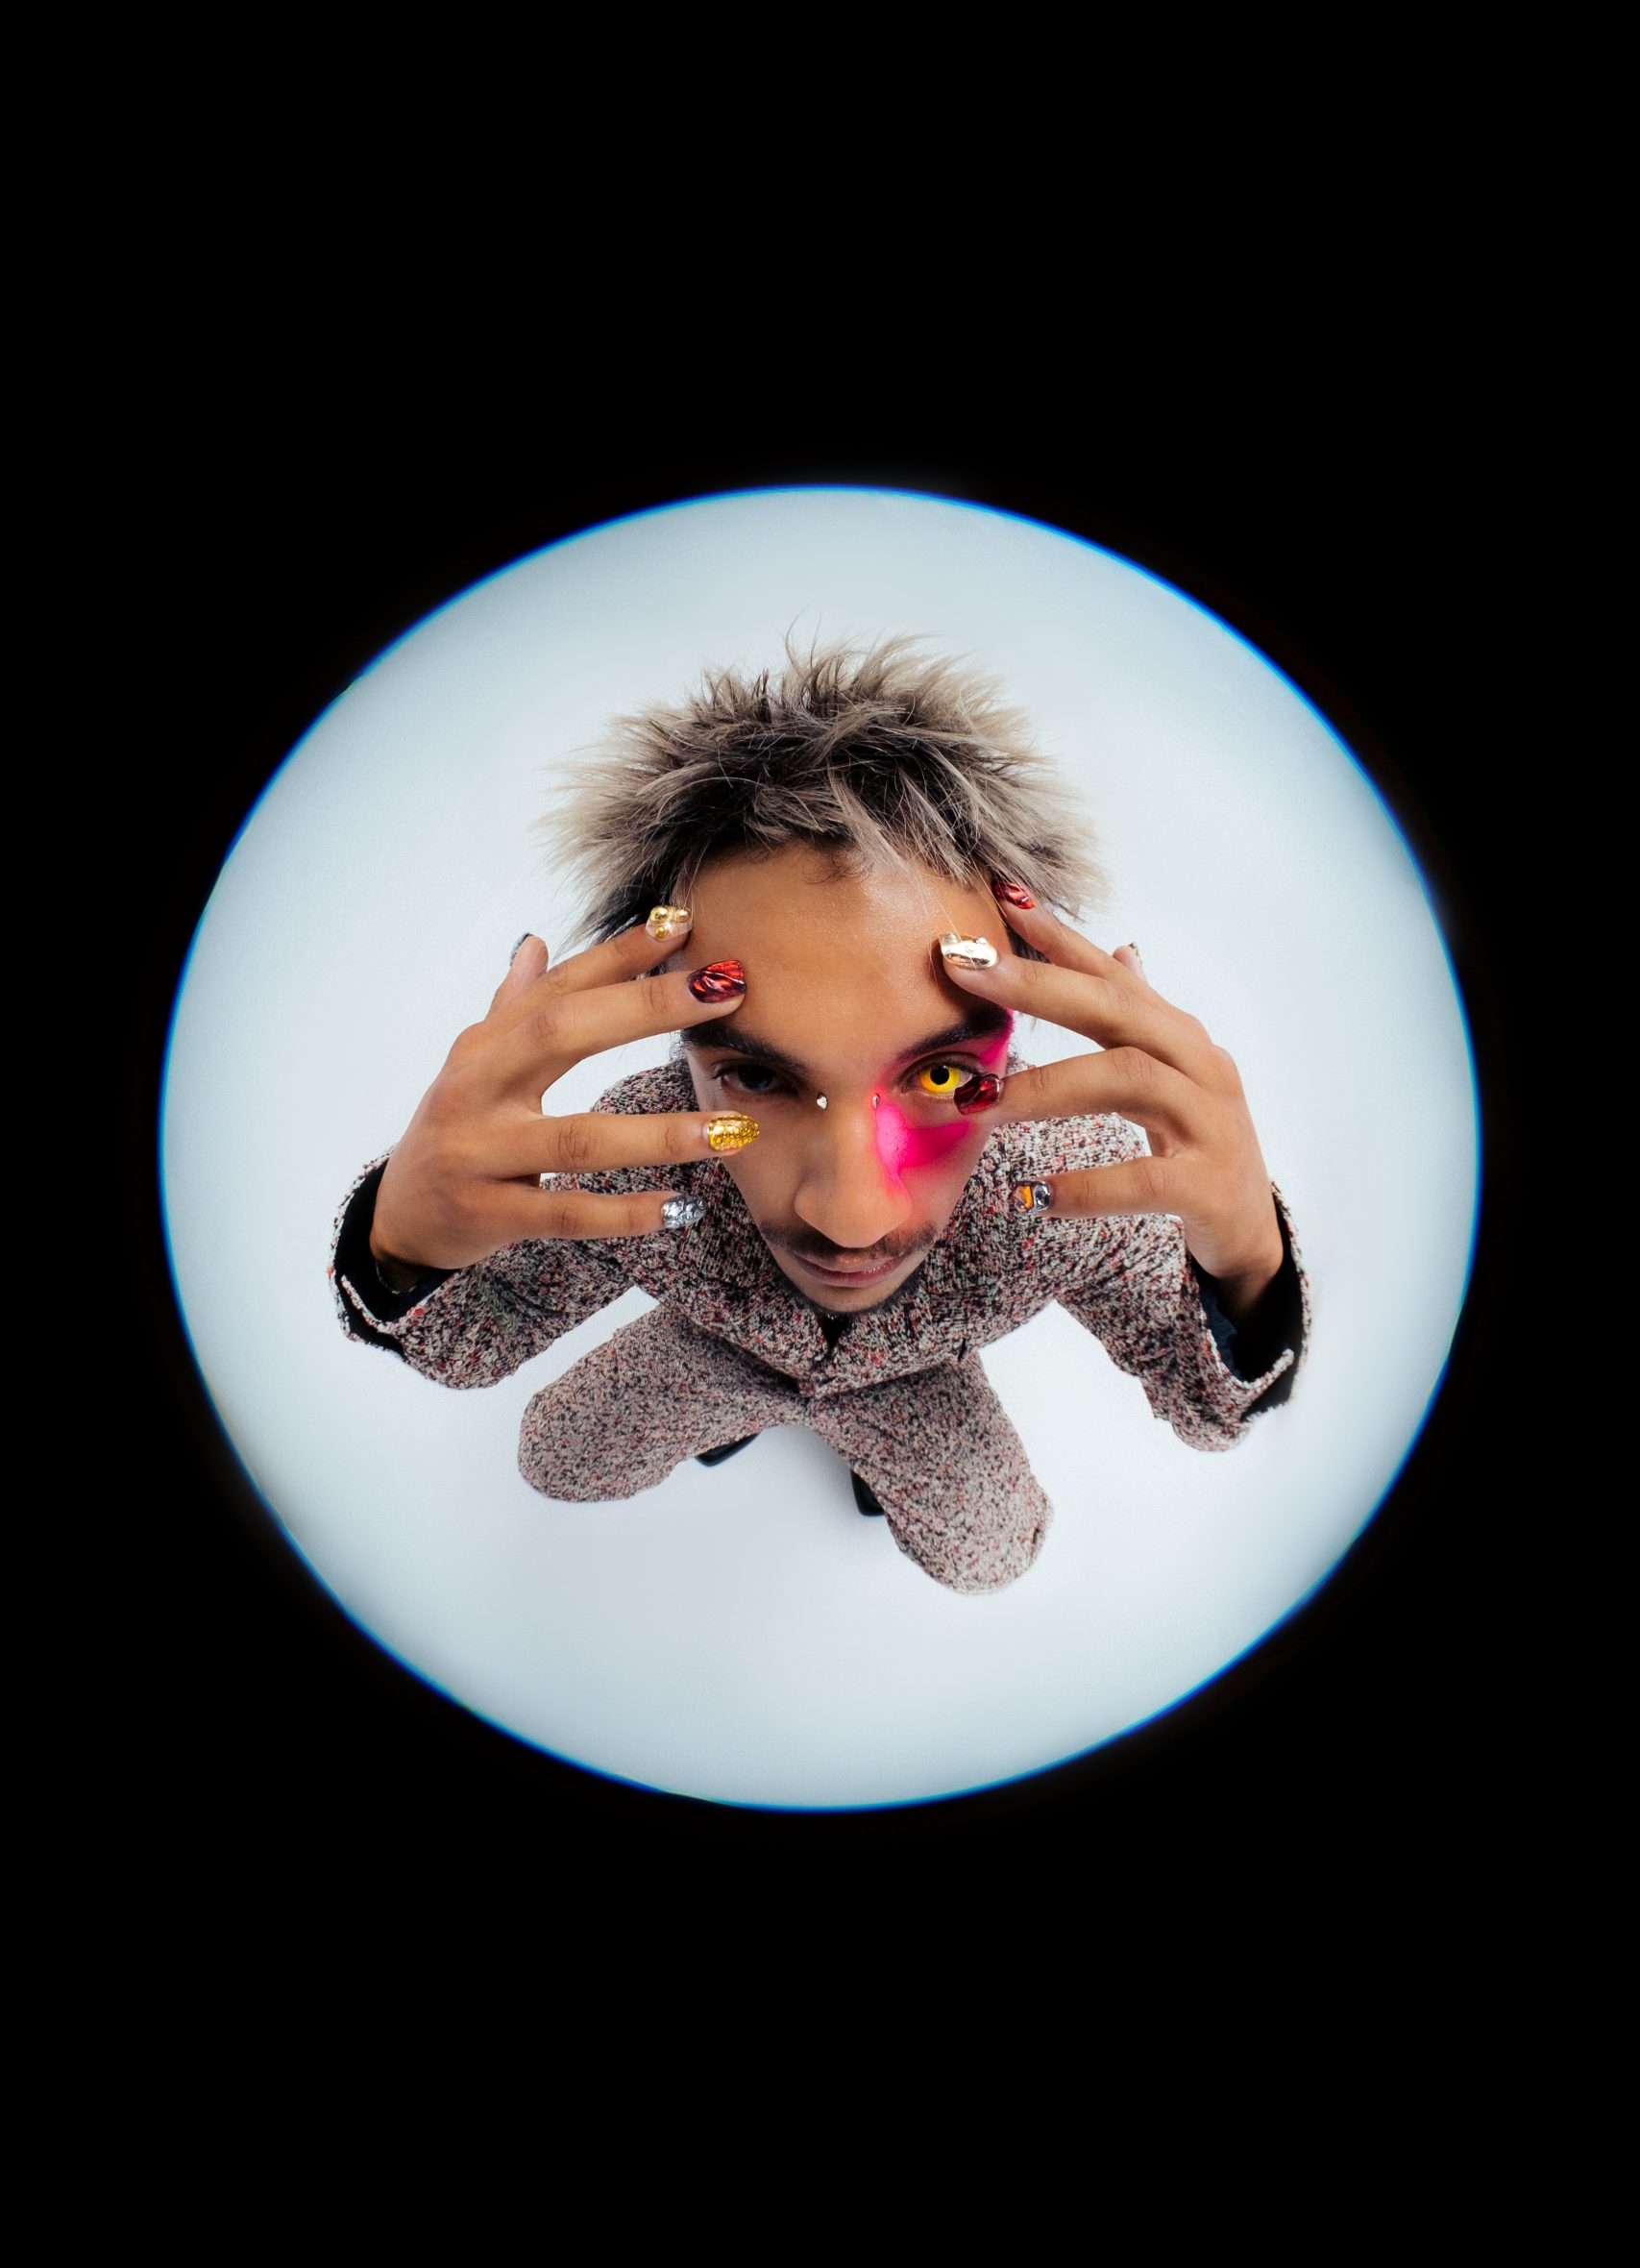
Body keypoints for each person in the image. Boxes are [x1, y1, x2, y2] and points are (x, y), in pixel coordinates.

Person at [330, 637, 1308, 1594]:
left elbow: (1203, 1403)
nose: (852, 1218)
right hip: (706, 1361)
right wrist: (400, 1244)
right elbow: (473, 1340)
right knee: (557, 1459)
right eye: (757, 1076)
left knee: (995, 1557)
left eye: (939, 1076)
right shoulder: (640, 1151)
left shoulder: (1071, 1174)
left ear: (1024, 1019)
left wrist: (1249, 1270)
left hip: (918, 1389)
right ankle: (743, 1408)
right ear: (680, 1037)